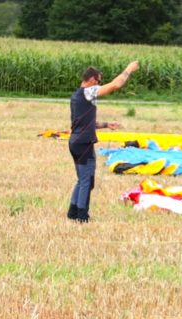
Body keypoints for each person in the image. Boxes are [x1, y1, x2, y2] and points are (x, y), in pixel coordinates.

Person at [67, 62, 139, 223]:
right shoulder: (88, 91)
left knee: (82, 179)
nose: (99, 84)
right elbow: (115, 85)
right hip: (84, 144)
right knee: (87, 180)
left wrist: (106, 125)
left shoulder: (76, 95)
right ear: (92, 80)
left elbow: (85, 123)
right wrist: (128, 69)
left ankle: (72, 212)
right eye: (98, 81)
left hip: (75, 142)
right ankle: (82, 216)